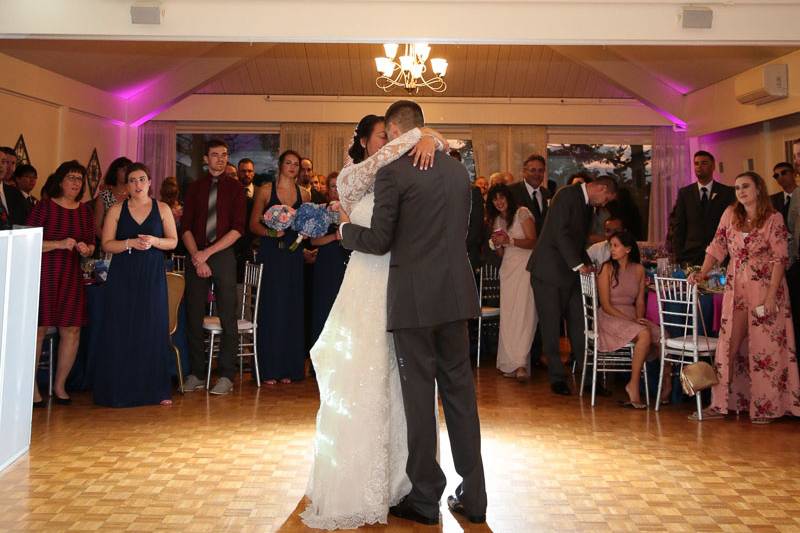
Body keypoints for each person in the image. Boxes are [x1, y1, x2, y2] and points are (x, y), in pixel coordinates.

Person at [301, 110, 458, 529]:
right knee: (363, 375)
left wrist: (427, 138)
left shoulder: (406, 171)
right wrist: (422, 136)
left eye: (391, 135)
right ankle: (356, 479)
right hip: (366, 283)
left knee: (402, 383)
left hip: (400, 284)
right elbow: (364, 208)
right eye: (381, 136)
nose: (388, 142)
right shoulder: (355, 175)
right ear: (368, 141)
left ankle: (404, 480)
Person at [339, 100, 486, 526]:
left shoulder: (393, 173)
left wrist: (346, 231)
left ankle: (425, 498)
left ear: (393, 128)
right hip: (455, 296)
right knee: (461, 398)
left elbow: (381, 239)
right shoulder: (459, 171)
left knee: (419, 401)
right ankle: (474, 497)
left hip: (413, 302)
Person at [690, 171, 800, 423]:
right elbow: (716, 246)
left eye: (746, 186)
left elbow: (780, 258)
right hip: (736, 288)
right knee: (729, 345)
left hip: (766, 288)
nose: (740, 191)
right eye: (737, 187)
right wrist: (703, 273)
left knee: (765, 347)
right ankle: (721, 404)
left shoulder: (774, 218)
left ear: (759, 189)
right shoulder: (730, 214)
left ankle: (767, 407)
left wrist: (772, 296)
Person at [93, 163, 178, 407]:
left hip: (152, 273)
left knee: (152, 326)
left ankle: (156, 389)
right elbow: (107, 244)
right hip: (123, 274)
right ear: (127, 185)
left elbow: (173, 242)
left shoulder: (162, 208)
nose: (138, 184)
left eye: (142, 179)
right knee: (121, 327)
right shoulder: (117, 210)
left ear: (150, 182)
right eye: (132, 180)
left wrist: (154, 241)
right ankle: (119, 388)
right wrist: (129, 242)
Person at [529, 175, 618, 396]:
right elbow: (560, 233)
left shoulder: (587, 205)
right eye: (606, 198)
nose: (604, 204)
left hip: (571, 273)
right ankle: (557, 378)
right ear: (600, 187)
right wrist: (579, 265)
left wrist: (588, 264)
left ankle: (589, 380)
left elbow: (578, 241)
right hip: (548, 272)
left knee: (581, 326)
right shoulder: (566, 195)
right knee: (550, 326)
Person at [26, 160, 96, 406]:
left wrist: (87, 248)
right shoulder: (44, 207)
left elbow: (91, 243)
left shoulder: (85, 211)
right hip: (43, 274)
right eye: (71, 177)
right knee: (38, 330)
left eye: (80, 178)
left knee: (72, 329)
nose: (76, 183)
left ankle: (60, 385)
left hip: (71, 275)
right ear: (60, 181)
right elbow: (27, 241)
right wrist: (58, 244)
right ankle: (31, 387)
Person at [180, 139, 246, 396]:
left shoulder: (236, 188)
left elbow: (238, 228)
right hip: (196, 253)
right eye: (215, 155)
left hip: (222, 254)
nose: (220, 159)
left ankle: (227, 375)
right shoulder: (194, 188)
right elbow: (184, 227)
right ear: (206, 159)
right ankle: (196, 373)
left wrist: (207, 253)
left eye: (224, 155)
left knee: (228, 315)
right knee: (193, 315)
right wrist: (197, 255)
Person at [249, 150, 310, 385]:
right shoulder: (265, 190)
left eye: (296, 164)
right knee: (271, 307)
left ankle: (290, 368)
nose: (293, 167)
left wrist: (307, 232)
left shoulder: (304, 194)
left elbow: (307, 225)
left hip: (293, 256)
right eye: (289, 163)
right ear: (280, 165)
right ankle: (268, 368)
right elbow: (253, 224)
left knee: (292, 308)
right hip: (271, 254)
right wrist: (271, 232)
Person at [596, 231, 664, 408]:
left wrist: (638, 318)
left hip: (631, 315)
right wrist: (630, 320)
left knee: (662, 335)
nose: (612, 249)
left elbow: (640, 300)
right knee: (644, 335)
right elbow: (605, 304)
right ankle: (633, 385)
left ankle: (666, 387)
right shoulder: (606, 269)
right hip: (610, 316)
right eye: (611, 246)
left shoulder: (639, 269)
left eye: (616, 246)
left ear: (628, 249)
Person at [487, 184, 537, 380]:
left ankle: (521, 363)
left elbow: (534, 241)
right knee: (508, 315)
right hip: (507, 269)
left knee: (524, 313)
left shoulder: (522, 213)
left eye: (502, 197)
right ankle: (508, 362)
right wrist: (498, 243)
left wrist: (511, 241)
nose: (499, 202)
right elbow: (501, 252)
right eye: (494, 199)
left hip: (525, 267)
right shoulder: (497, 220)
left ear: (508, 197)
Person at [672, 151, 735, 265]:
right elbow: (679, 226)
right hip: (691, 254)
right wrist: (679, 255)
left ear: (713, 166)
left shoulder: (727, 192)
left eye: (704, 163)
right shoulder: (685, 193)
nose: (699, 167)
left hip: (719, 254)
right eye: (696, 164)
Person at [308, 173, 349, 347]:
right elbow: (313, 241)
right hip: (326, 262)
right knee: (323, 308)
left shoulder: (350, 209)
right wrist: (334, 236)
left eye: (339, 186)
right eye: (333, 186)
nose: (336, 190)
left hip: (346, 262)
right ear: (327, 189)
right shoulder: (320, 210)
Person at [509, 154, 549, 237]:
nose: (537, 174)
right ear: (524, 172)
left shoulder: (547, 194)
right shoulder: (511, 192)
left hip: (543, 246)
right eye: (533, 170)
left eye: (540, 171)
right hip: (519, 246)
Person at [94, 157, 132, 239]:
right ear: (115, 172)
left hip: (131, 245)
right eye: (124, 170)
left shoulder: (134, 196)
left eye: (130, 171)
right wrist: (108, 242)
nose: (128, 173)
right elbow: (96, 226)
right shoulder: (104, 195)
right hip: (109, 244)